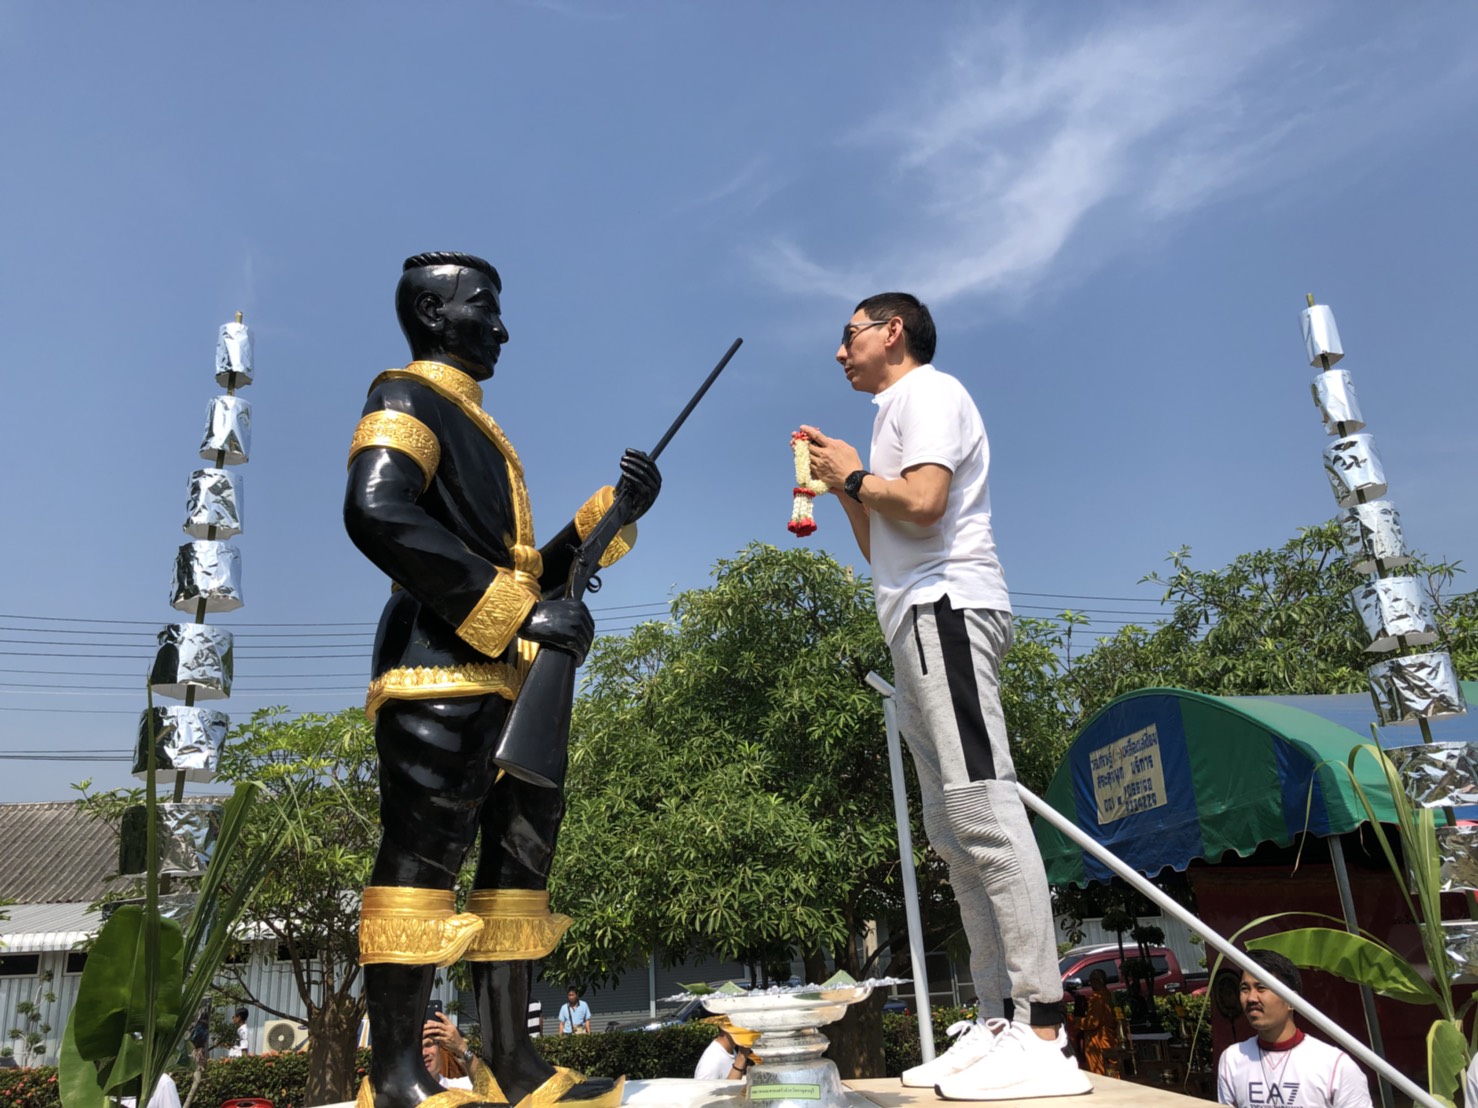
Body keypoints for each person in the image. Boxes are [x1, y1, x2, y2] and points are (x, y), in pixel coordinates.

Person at [344, 252, 657, 1108]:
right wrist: (518, 614)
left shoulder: (475, 422)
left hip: (513, 682)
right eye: (485, 308)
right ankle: (398, 1077)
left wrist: (606, 520)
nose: (502, 327)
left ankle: (515, 1065)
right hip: (435, 667)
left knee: (518, 864)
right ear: (434, 315)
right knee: (423, 856)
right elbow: (376, 510)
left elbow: (525, 572)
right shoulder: (404, 397)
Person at [802, 292, 1088, 1101]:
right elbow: (880, 543)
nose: (839, 351)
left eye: (849, 334)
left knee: (985, 810)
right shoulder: (894, 412)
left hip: (947, 609)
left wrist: (857, 472)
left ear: (893, 332)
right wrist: (847, 483)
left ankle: (1042, 1024)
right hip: (913, 616)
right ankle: (996, 1017)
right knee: (951, 828)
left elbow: (925, 508)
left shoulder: (930, 393)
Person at [1216, 950, 1372, 1108]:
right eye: (1245, 988)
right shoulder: (1232, 1059)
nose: (1251, 998)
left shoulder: (1336, 1066)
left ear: (1292, 1000)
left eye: (1261, 987)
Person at [1076, 970, 1120, 1076]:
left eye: (1092, 981)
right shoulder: (1106, 995)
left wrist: (1077, 1021)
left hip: (1098, 1040)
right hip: (1106, 1038)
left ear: (1099, 981)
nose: (1091, 984)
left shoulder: (1099, 998)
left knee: (1100, 1071)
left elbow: (1093, 1022)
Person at [693, 1018, 759, 1081]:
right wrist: (742, 1056)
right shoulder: (711, 1062)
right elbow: (705, 1092)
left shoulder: (730, 1051)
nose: (747, 1028)